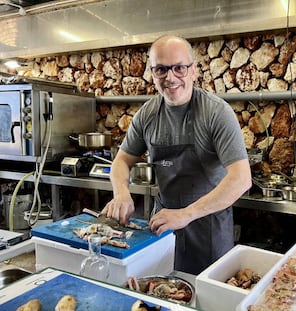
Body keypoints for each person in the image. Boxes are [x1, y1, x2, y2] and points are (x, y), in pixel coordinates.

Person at [102, 34, 252, 274]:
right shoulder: (147, 115)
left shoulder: (216, 113)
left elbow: (241, 178)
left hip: (208, 225)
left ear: (193, 71)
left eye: (179, 68)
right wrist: (121, 194)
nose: (170, 78)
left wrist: (187, 214)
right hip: (162, 223)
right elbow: (122, 160)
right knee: (158, 287)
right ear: (152, 74)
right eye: (161, 69)